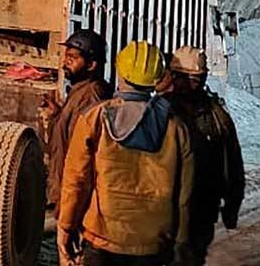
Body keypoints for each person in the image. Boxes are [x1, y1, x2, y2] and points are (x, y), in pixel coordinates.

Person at [58, 41, 195, 266]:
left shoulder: (95, 118)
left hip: (102, 240)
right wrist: (180, 243)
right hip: (152, 245)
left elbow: (76, 181)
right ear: (157, 77)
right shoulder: (176, 127)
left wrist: (66, 227)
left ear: (120, 72)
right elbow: (184, 194)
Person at [167, 46, 245, 264]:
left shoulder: (215, 116)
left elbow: (232, 163)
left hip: (197, 211)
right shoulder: (162, 111)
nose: (193, 84)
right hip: (167, 213)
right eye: (188, 78)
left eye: (197, 79)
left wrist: (232, 206)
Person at [42, 30, 113, 219]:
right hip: (66, 196)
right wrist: (57, 116)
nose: (66, 62)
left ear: (91, 65)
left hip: (76, 202)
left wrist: (72, 205)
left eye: (73, 57)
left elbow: (82, 153)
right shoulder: (79, 91)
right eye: (66, 56)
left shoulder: (92, 95)